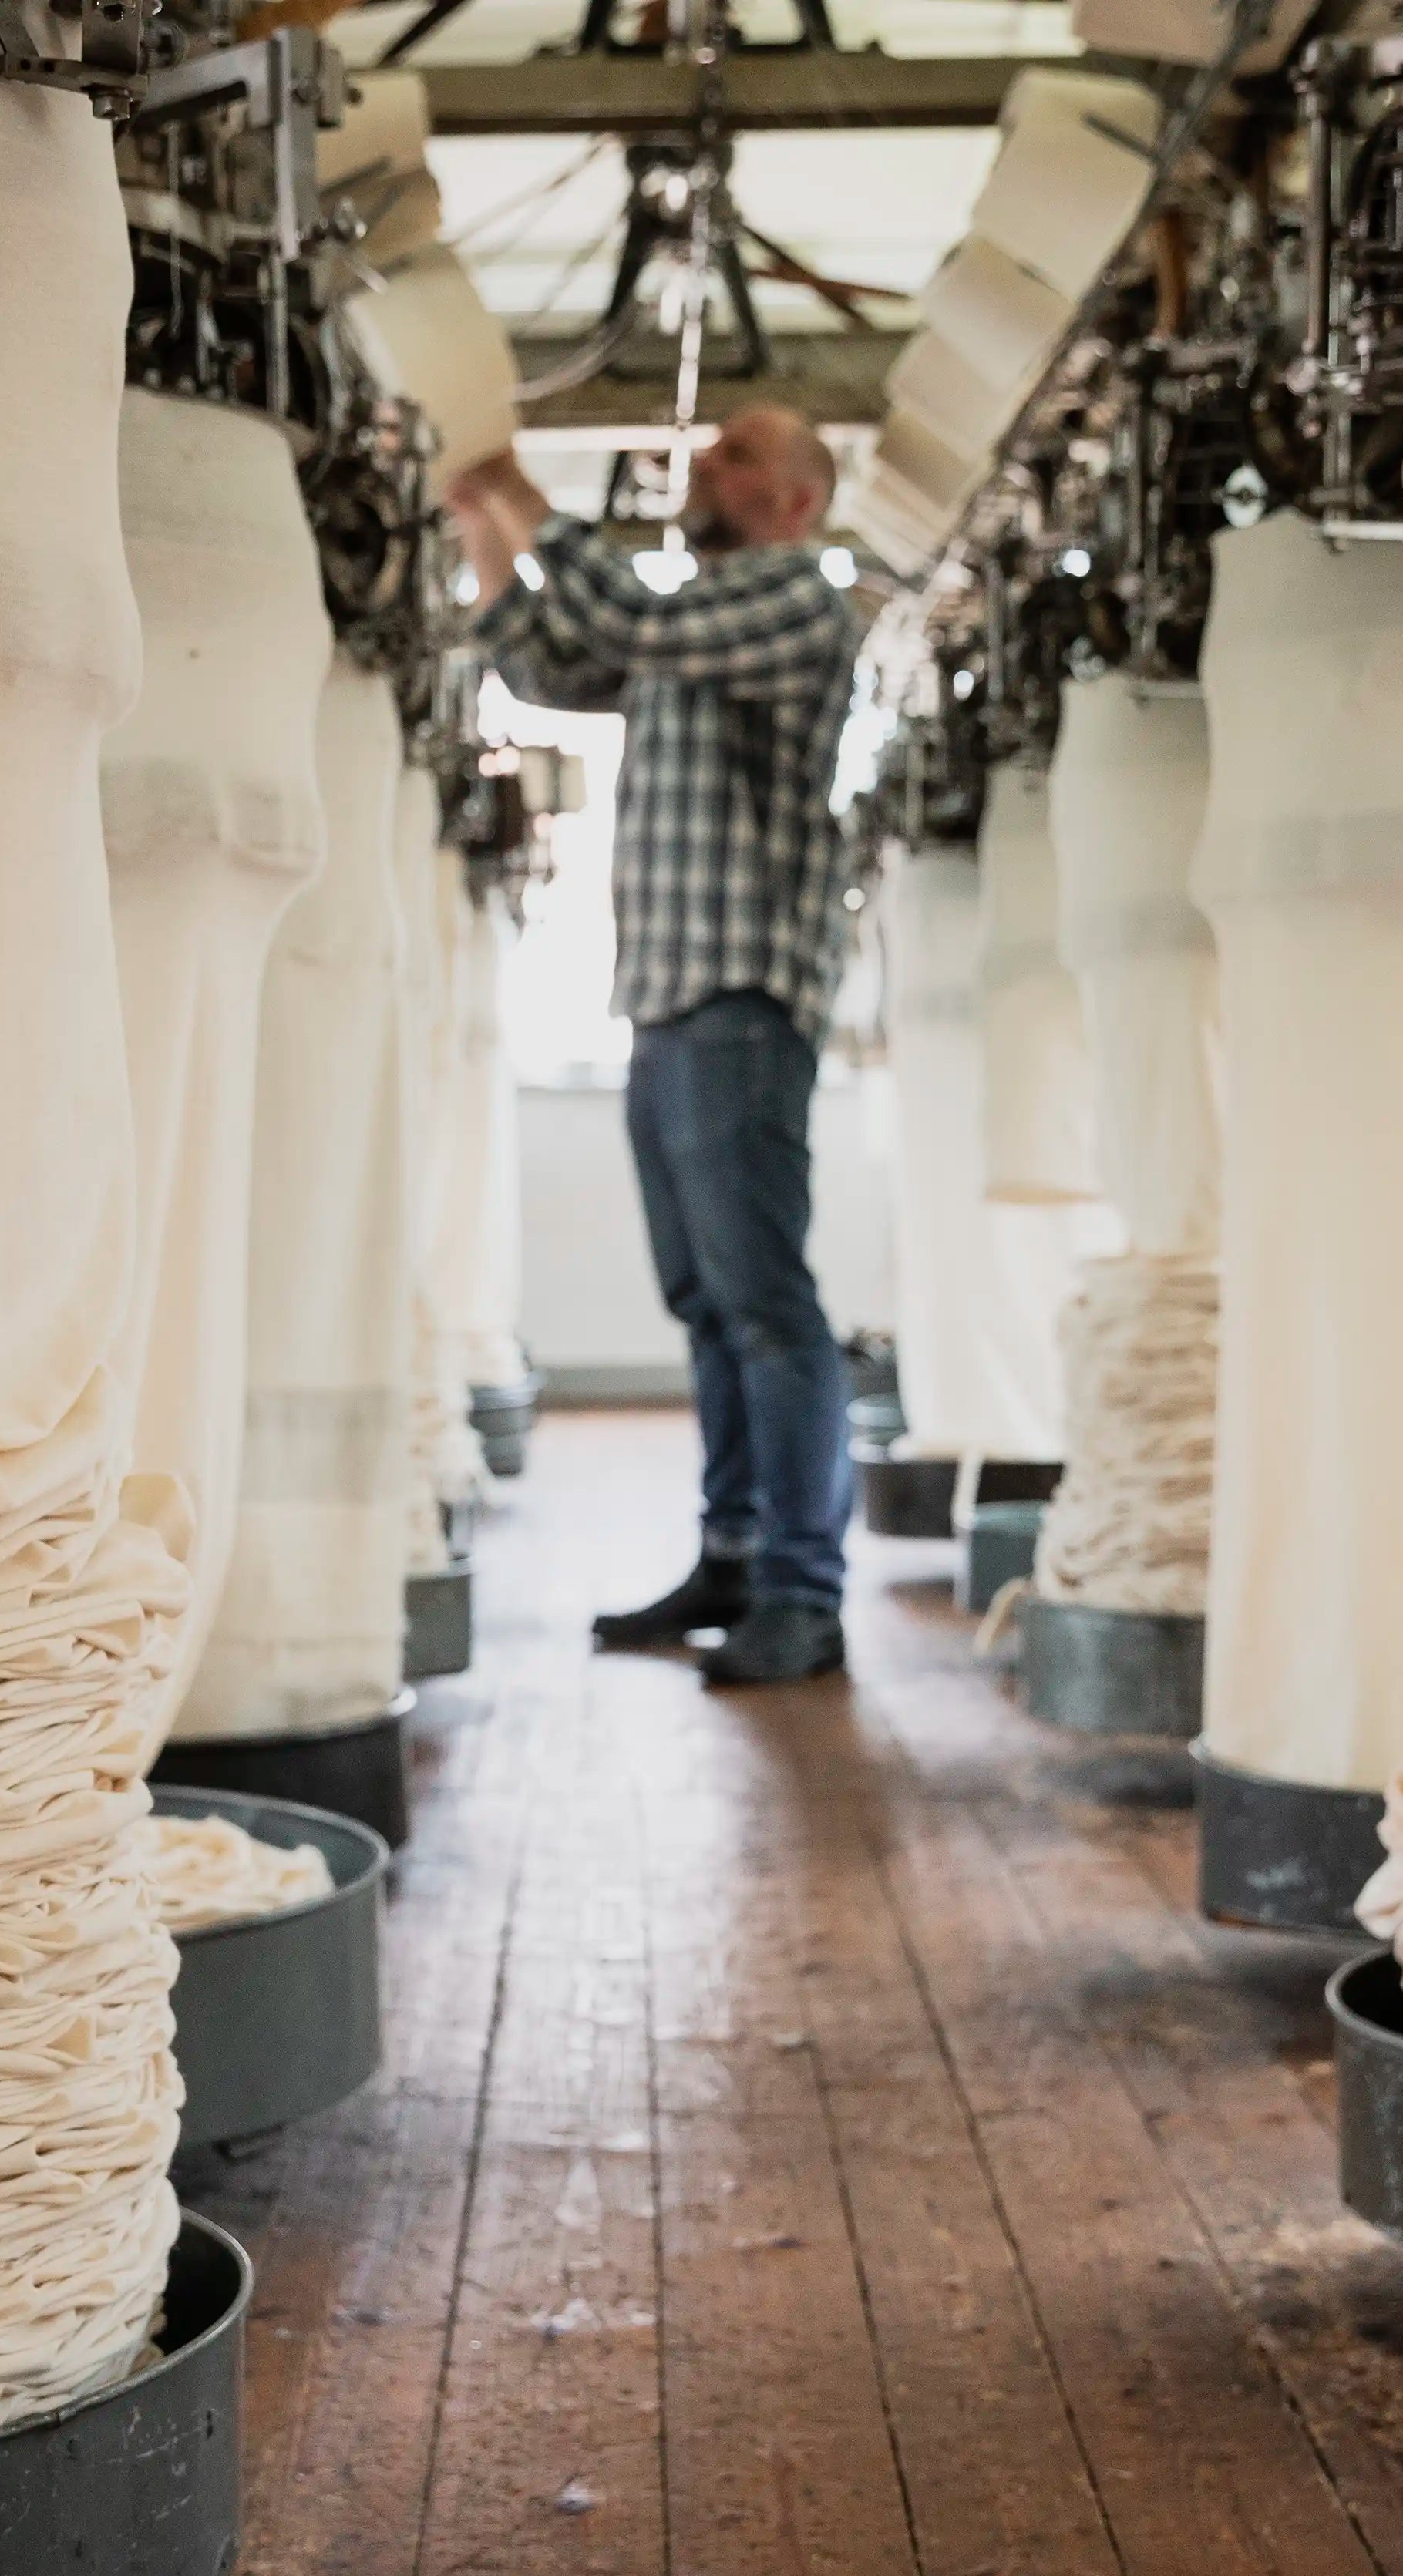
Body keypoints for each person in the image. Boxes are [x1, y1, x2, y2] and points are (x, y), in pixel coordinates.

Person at [447, 405, 863, 1688]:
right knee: (708, 1305)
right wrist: (482, 521)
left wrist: (520, 483)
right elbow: (550, 671)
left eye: (739, 456)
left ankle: (801, 1586)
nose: (707, 470)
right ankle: (736, 1559)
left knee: (766, 1307)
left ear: (797, 501)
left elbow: (630, 624)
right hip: (675, 1000)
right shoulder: (701, 634)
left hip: (742, 997)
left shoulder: (794, 598)